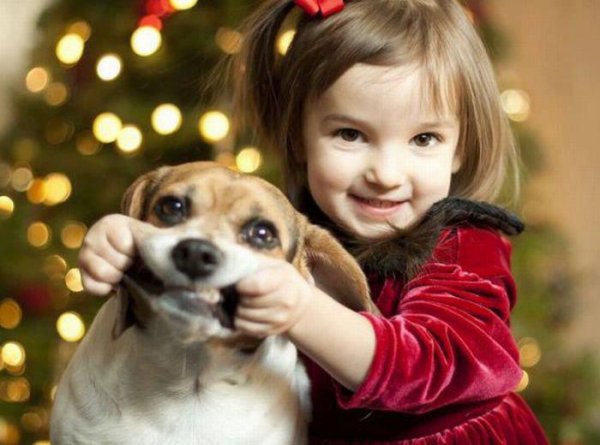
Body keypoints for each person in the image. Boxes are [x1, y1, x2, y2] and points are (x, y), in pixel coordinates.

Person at [79, 0, 548, 443]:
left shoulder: (464, 248)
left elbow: (432, 365)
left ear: (460, 147)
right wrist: (131, 241)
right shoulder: (284, 232)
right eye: (350, 134)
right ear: (299, 137)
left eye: (424, 138)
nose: (385, 174)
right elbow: (200, 275)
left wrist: (302, 310)